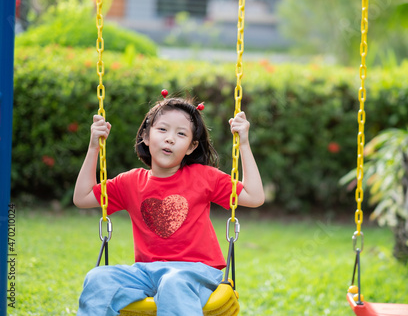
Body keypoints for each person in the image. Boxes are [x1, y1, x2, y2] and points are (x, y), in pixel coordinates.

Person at [73, 94, 265, 316]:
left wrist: (244, 143)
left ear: (192, 147)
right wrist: (93, 148)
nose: (170, 139)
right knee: (98, 278)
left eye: (181, 134)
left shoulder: (203, 177)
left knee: (173, 282)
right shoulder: (130, 182)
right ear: (146, 136)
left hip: (196, 273)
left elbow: (254, 196)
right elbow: (83, 197)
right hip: (146, 273)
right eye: (162, 130)